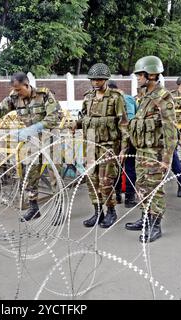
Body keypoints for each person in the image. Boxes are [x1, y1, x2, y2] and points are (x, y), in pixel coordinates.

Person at [0, 72, 62, 223]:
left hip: (49, 136)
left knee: (54, 173)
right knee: (30, 172)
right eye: (14, 90)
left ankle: (58, 208)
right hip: (31, 139)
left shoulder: (44, 95)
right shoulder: (14, 98)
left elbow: (56, 116)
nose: (16, 93)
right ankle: (33, 208)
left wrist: (37, 127)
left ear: (27, 85)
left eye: (19, 90)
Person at [124, 56, 178, 243]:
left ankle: (156, 226)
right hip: (141, 152)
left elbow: (170, 130)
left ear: (152, 75)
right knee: (142, 187)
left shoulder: (163, 97)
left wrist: (167, 158)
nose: (138, 78)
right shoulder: (144, 99)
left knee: (155, 189)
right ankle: (145, 217)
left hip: (155, 153)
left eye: (140, 75)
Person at [72, 64, 129, 228]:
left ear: (106, 80)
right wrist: (76, 124)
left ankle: (111, 211)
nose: (96, 82)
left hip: (108, 147)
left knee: (106, 182)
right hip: (90, 146)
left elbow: (123, 124)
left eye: (99, 79)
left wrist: (124, 148)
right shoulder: (88, 97)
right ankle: (98, 212)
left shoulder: (115, 98)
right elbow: (84, 117)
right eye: (93, 80)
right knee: (92, 180)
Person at [107, 80, 138, 208]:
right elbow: (135, 116)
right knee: (130, 167)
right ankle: (130, 198)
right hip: (130, 136)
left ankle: (118, 195)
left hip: (116, 138)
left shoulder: (110, 99)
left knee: (117, 167)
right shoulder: (129, 98)